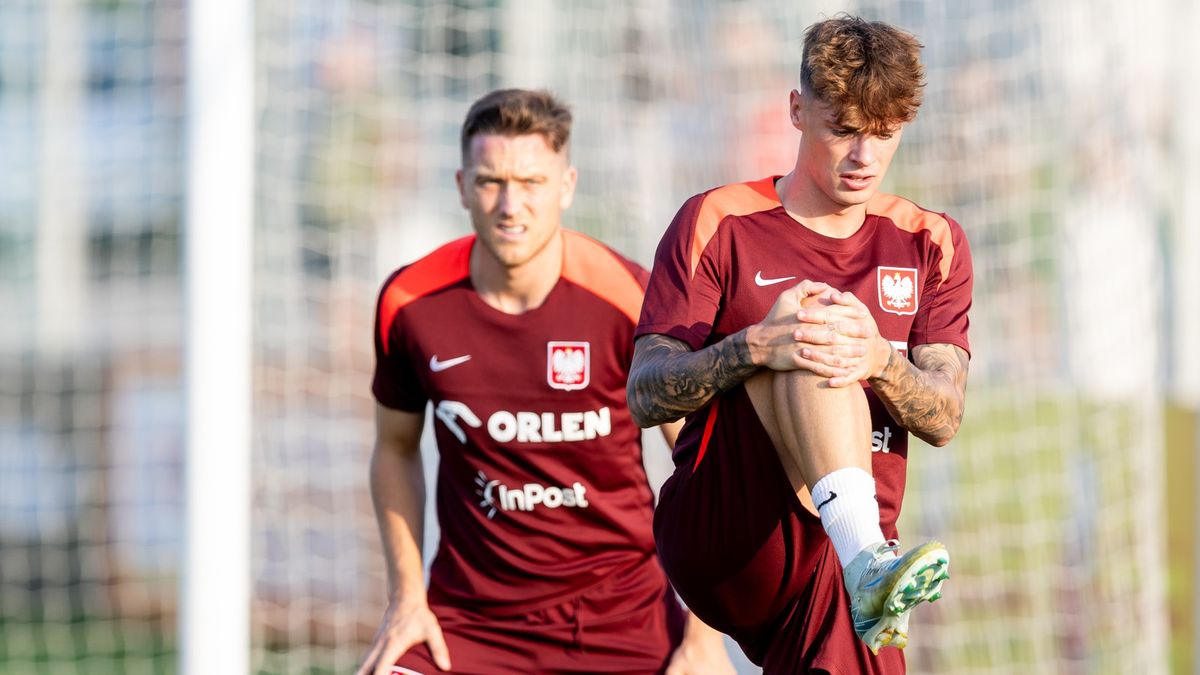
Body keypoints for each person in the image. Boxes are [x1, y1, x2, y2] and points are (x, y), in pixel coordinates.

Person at [628, 16, 972, 674]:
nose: (863, 157)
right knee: (812, 318)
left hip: (839, 555)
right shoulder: (719, 222)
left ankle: (868, 562)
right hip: (728, 528)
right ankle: (870, 561)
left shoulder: (931, 242)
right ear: (797, 109)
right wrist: (753, 346)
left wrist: (877, 360)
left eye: (884, 134)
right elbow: (645, 392)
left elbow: (945, 417)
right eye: (842, 128)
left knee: (841, 335)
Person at [358, 89, 734, 675]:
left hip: (623, 619)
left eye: (532, 182)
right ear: (461, 185)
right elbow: (395, 447)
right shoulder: (410, 303)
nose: (511, 205)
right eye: (490, 181)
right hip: (469, 622)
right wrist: (406, 597)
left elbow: (710, 468)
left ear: (566, 186)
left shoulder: (628, 299)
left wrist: (706, 638)